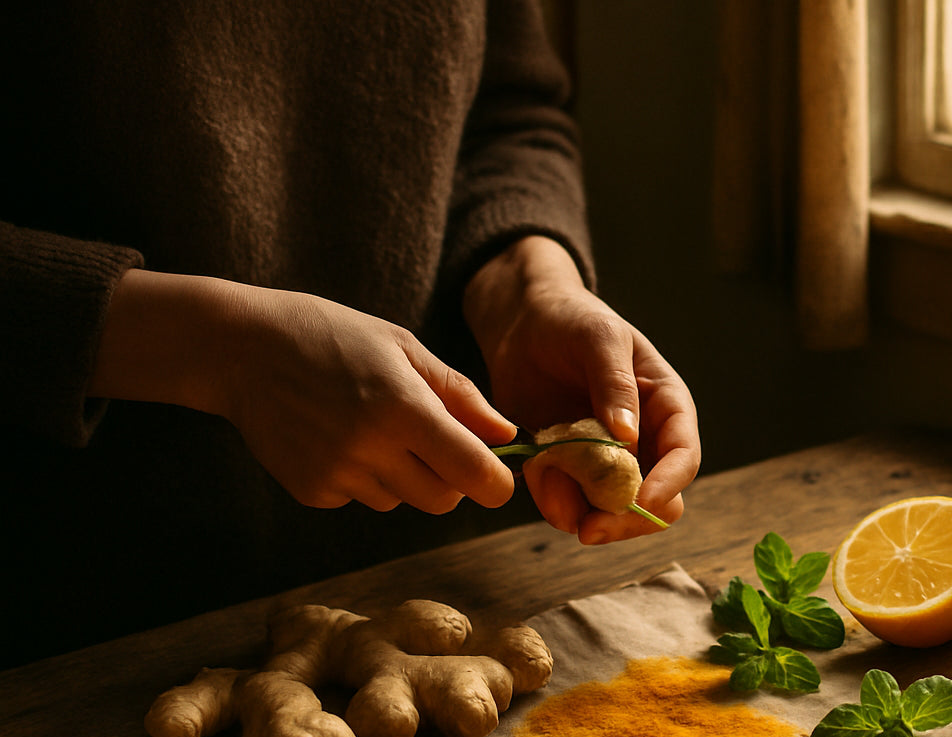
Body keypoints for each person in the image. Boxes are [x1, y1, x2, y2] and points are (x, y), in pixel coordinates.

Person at [0, 1, 701, 666]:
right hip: (60, 627)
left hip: (431, 592)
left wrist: (525, 285)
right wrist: (218, 351)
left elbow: (507, 117)